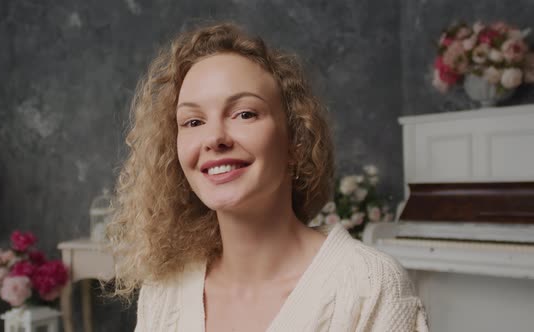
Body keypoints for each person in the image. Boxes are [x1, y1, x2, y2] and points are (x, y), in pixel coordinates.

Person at [107, 23, 428, 332]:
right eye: (193, 121)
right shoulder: (164, 291)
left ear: (295, 142)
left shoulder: (370, 287)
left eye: (245, 114)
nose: (214, 138)